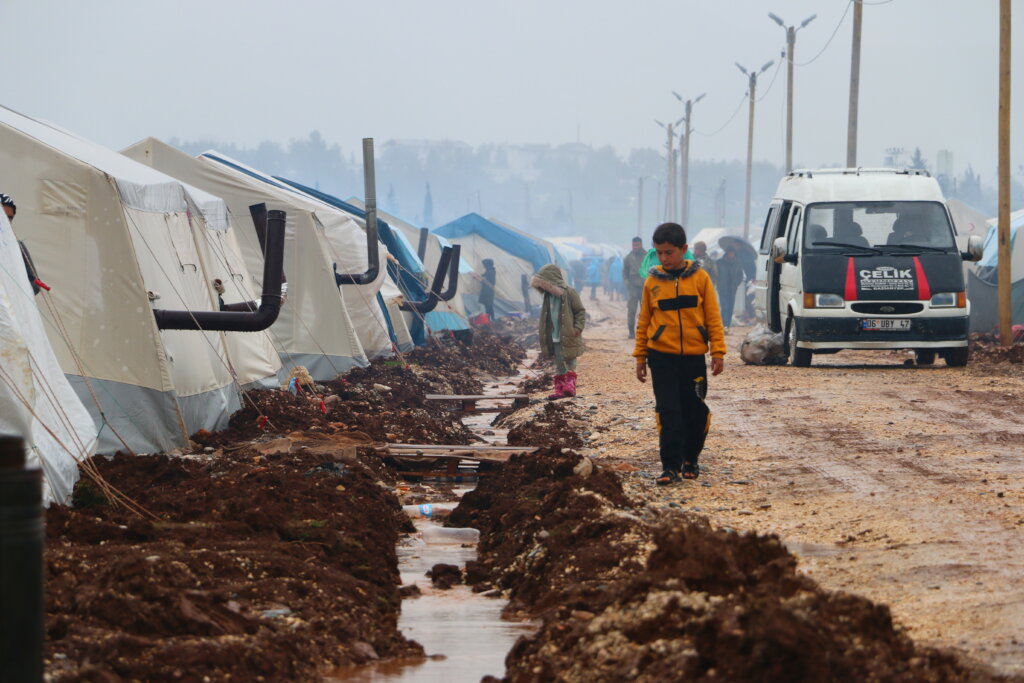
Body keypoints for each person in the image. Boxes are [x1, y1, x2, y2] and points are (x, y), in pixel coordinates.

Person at [634, 222, 725, 483]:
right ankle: (669, 467)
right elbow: (644, 321)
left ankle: (691, 459)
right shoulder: (652, 282)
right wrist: (640, 357)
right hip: (660, 357)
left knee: (694, 410)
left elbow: (713, 318)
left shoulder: (700, 279)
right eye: (659, 253)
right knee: (668, 411)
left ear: (684, 250)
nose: (664, 258)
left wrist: (718, 352)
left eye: (669, 252)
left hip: (694, 359)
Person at [531, 264, 586, 399]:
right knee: (559, 361)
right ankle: (560, 389)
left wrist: (577, 328)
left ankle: (570, 386)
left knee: (570, 358)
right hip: (554, 335)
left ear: (551, 280)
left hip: (569, 333)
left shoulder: (570, 293)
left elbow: (580, 311)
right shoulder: (548, 296)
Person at [622, 237, 646, 338]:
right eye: (634, 245)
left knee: (644, 311)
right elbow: (625, 272)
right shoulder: (628, 257)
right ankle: (631, 332)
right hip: (632, 287)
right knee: (631, 310)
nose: (635, 247)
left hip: (644, 287)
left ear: (641, 244)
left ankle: (642, 331)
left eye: (637, 245)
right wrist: (627, 282)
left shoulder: (646, 256)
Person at [715, 247, 744, 328]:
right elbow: (715, 274)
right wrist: (718, 282)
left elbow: (740, 276)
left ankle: (727, 324)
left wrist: (736, 283)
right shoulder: (719, 262)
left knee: (730, 308)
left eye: (732, 253)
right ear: (726, 253)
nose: (731, 255)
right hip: (722, 289)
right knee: (724, 307)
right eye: (730, 253)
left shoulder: (737, 263)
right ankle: (724, 325)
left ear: (734, 254)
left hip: (732, 289)